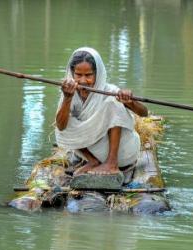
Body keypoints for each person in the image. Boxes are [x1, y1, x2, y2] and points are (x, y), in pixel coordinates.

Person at [55, 47, 148, 175]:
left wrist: (130, 101)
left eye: (88, 75)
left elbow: (144, 113)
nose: (83, 81)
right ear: (72, 73)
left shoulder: (109, 90)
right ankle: (93, 162)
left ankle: (111, 163)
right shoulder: (69, 92)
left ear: (97, 74)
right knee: (63, 120)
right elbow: (61, 127)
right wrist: (67, 98)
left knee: (112, 102)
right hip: (93, 153)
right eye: (78, 75)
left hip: (123, 153)